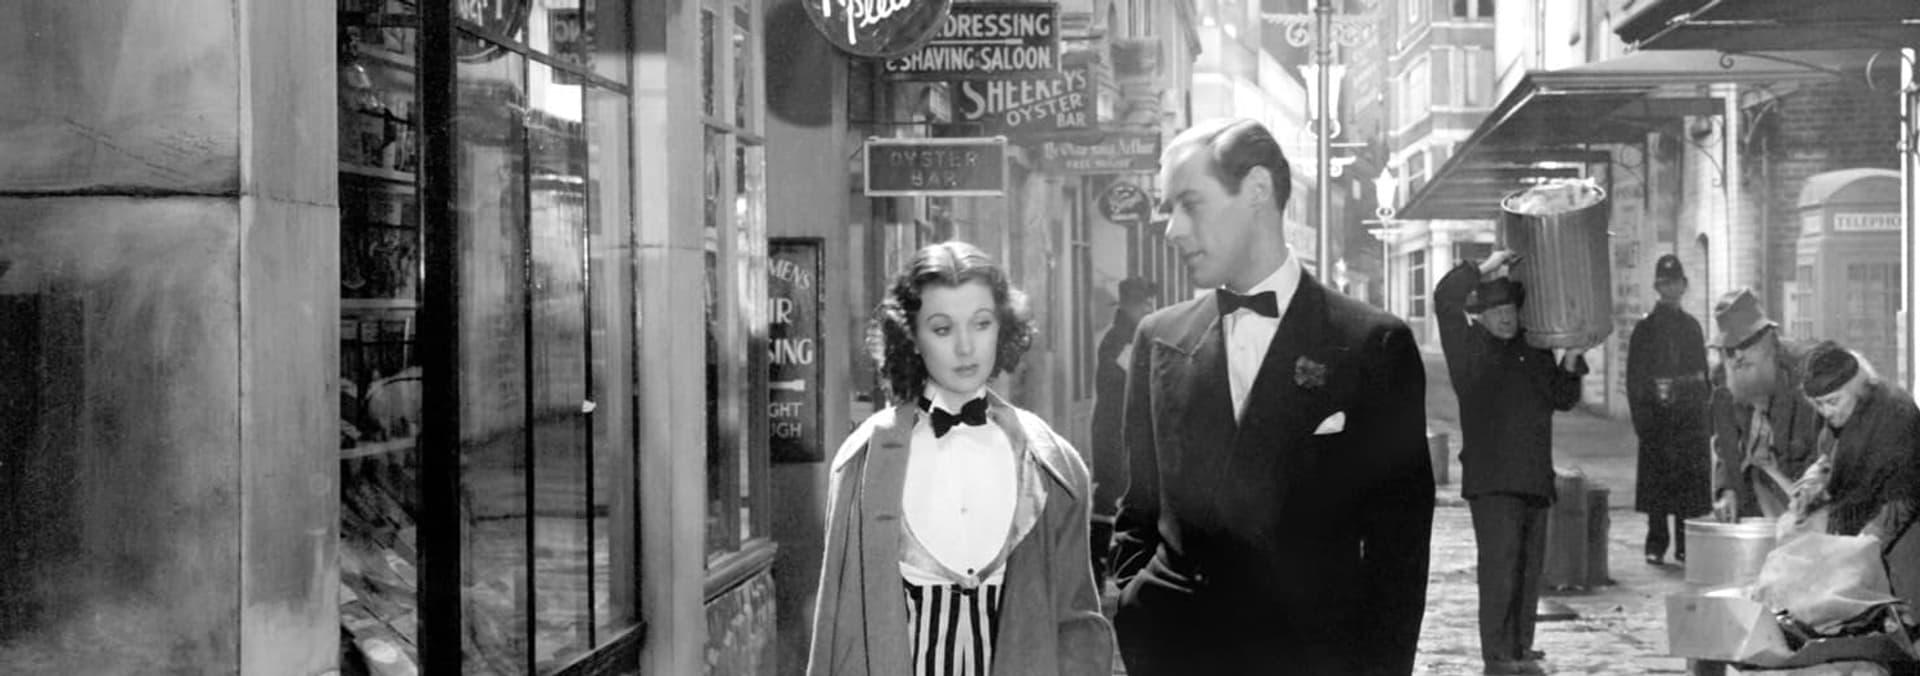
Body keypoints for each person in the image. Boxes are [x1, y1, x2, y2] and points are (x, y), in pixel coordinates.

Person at [1108, 117, 1433, 676]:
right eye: (1168, 209)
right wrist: (1137, 609)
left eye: (1190, 204)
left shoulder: (1371, 345)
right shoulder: (1159, 338)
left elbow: (1398, 552)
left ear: (1257, 189)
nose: (1172, 230)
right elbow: (1138, 508)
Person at [806, 241, 1113, 676]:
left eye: (981, 323)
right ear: (911, 338)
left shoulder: (1051, 463)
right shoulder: (864, 462)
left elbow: (1078, 626)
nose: (966, 347)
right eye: (942, 329)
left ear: (1002, 326)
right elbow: (838, 635)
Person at [1434, 250, 1588, 676]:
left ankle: (1520, 646)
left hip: (1534, 477)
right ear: (1480, 316)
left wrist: (1571, 359)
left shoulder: (1533, 350)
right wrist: (1482, 269)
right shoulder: (1467, 349)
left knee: (1526, 569)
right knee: (1500, 570)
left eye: (1511, 310)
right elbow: (1444, 298)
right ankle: (1498, 655)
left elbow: (1562, 397)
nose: (1506, 317)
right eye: (1496, 311)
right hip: (1493, 482)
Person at [1792, 343, 1920, 612]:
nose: (1826, 412)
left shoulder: (1896, 414)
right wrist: (1816, 479)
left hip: (1904, 525)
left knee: (1902, 612)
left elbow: (1904, 497)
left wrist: (1860, 546)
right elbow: (1831, 454)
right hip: (1859, 522)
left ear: (1858, 388)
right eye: (1819, 404)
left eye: (1833, 402)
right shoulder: (1835, 411)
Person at [1625, 254, 1713, 565]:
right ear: (1657, 287)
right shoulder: (1645, 329)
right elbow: (1635, 379)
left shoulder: (1692, 327)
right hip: (1657, 417)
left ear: (1684, 286)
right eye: (1664, 284)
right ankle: (1656, 542)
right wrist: (1642, 420)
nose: (1671, 289)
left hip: (1688, 417)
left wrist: (1703, 415)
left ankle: (1685, 544)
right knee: (1658, 485)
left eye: (1675, 283)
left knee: (1687, 484)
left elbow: (1702, 375)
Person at [1708, 288, 1823, 522]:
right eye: (1729, 349)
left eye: (1745, 344)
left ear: (1768, 338)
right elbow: (1726, 444)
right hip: (1754, 494)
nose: (1737, 357)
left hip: (1804, 496)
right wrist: (1726, 489)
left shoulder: (1805, 371)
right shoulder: (1723, 380)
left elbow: (1826, 449)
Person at [1090, 276, 1157, 588]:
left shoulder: (1127, 336)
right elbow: (1139, 382)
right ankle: (1097, 567)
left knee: (1122, 493)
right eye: (1145, 304)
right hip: (1113, 431)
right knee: (1110, 495)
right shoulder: (1119, 340)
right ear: (1132, 305)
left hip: (1123, 429)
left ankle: (1110, 566)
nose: (1150, 309)